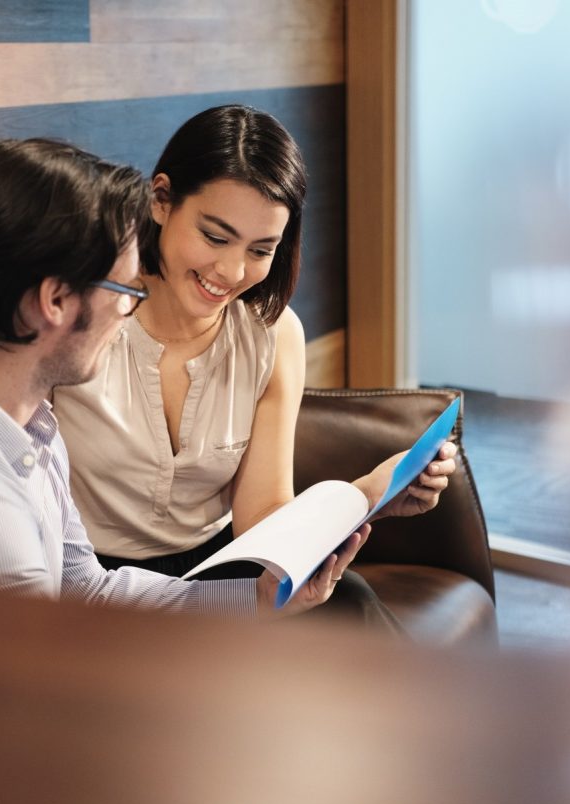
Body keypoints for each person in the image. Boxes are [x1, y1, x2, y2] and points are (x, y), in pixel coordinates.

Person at [0, 137, 369, 617]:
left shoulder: (17, 417)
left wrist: (255, 600)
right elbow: (40, 699)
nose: (128, 310)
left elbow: (86, 588)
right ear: (53, 301)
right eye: (124, 289)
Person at [53, 106, 456, 626]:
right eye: (216, 237)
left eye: (261, 249)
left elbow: (261, 519)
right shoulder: (90, 316)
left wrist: (372, 494)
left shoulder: (273, 333)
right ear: (161, 200)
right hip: (101, 580)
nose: (231, 271)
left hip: (221, 564)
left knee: (349, 603)